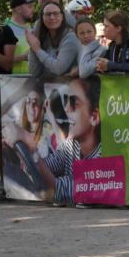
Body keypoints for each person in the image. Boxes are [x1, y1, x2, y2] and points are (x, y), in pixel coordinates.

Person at [38, 76, 102, 206]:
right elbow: (51, 164)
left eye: (73, 102)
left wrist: (31, 150)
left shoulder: (104, 154)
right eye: (66, 100)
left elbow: (76, 186)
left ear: (94, 117)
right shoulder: (71, 145)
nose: (66, 108)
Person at [26, 0, 80, 80]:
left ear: (62, 16)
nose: (52, 17)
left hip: (73, 88)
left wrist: (37, 49)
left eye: (55, 13)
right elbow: (34, 72)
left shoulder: (71, 37)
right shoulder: (44, 38)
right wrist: (32, 47)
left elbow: (58, 69)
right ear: (42, 18)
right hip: (51, 88)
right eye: (48, 14)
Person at [89, 9, 129, 76]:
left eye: (106, 26)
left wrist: (111, 65)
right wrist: (101, 67)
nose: (103, 29)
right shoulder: (112, 45)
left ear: (118, 28)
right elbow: (106, 65)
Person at [4, 0, 35, 74]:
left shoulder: (31, 27)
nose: (33, 10)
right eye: (29, 7)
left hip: (31, 82)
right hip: (12, 83)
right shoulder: (5, 29)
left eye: (33, 6)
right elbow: (1, 60)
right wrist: (23, 57)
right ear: (18, 9)